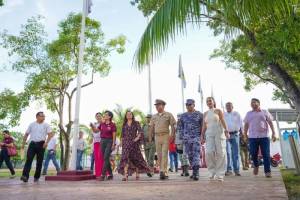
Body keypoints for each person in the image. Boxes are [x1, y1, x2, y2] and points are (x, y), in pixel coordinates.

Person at [243, 98, 276, 178]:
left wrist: (274, 133)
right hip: (252, 137)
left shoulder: (264, 112)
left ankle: (267, 171)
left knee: (266, 154)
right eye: (251, 102)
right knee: (253, 153)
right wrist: (245, 135)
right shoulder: (248, 113)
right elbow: (246, 124)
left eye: (253, 102)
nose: (252, 104)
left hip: (264, 136)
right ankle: (256, 165)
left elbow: (270, 122)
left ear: (258, 103)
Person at [201, 97, 230, 181]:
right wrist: (201, 135)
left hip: (218, 130)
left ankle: (220, 173)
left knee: (221, 153)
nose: (208, 102)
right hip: (209, 132)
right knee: (209, 152)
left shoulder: (218, 111)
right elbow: (204, 125)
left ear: (214, 102)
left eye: (210, 101)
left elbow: (223, 121)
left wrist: (227, 131)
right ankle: (213, 170)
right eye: (207, 101)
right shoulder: (205, 113)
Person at [118, 111, 150, 181]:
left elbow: (140, 132)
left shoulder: (136, 123)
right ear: (126, 116)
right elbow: (122, 135)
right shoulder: (124, 124)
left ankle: (137, 173)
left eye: (130, 114)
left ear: (132, 115)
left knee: (136, 157)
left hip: (134, 142)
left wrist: (137, 138)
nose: (129, 115)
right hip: (126, 143)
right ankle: (125, 174)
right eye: (127, 114)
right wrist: (121, 143)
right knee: (125, 157)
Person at [20, 111, 52, 182]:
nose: (43, 117)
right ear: (37, 117)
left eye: (44, 116)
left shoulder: (46, 125)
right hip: (32, 144)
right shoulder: (32, 125)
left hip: (41, 144)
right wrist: (23, 144)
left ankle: (36, 177)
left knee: (39, 161)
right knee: (29, 160)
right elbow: (26, 135)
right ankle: (25, 176)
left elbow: (49, 135)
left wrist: (46, 143)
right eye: (41, 116)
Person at [149, 99, 176, 180]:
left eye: (158, 105)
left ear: (163, 106)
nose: (157, 106)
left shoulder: (168, 114)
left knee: (164, 153)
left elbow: (172, 125)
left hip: (165, 136)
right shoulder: (154, 116)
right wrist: (150, 136)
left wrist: (173, 135)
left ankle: (162, 171)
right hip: (157, 136)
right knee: (159, 154)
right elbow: (151, 127)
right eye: (156, 105)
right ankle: (164, 171)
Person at [179, 99, 203, 181]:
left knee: (196, 155)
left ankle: (196, 172)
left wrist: (203, 136)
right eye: (187, 105)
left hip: (196, 138)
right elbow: (181, 127)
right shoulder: (183, 116)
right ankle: (194, 171)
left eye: (189, 104)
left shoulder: (199, 114)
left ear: (194, 105)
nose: (188, 106)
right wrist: (181, 137)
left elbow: (203, 126)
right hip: (187, 139)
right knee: (190, 156)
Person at [90, 110, 116, 181]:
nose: (104, 115)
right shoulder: (102, 124)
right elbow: (96, 131)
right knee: (105, 158)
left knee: (105, 157)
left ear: (109, 116)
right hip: (102, 141)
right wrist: (92, 127)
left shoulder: (112, 124)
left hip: (109, 141)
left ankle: (103, 174)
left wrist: (114, 144)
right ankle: (110, 174)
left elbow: (114, 135)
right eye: (104, 114)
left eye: (106, 114)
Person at [224, 102, 244, 176]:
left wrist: (243, 133)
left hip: (235, 134)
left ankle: (237, 170)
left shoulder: (236, 114)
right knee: (228, 152)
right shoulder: (223, 115)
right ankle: (229, 169)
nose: (228, 107)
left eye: (229, 106)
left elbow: (241, 123)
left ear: (232, 107)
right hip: (226, 134)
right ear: (225, 107)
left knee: (236, 153)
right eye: (227, 106)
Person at [89, 112, 107, 178]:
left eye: (100, 116)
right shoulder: (94, 124)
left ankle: (104, 173)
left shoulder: (105, 123)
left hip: (103, 141)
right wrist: (91, 138)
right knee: (97, 158)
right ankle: (98, 174)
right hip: (95, 142)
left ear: (102, 117)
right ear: (95, 118)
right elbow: (92, 132)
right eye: (97, 116)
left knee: (101, 157)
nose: (98, 117)